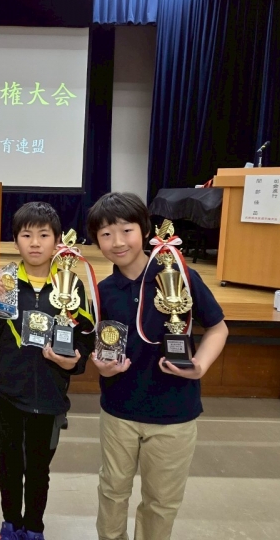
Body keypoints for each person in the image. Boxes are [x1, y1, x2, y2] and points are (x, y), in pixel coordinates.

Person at [86, 192, 228, 540]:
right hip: (119, 410)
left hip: (174, 413)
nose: (118, 242)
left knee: (162, 501)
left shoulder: (180, 276)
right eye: (106, 234)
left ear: (145, 230)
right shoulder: (103, 290)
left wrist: (200, 365)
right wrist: (101, 366)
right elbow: (101, 343)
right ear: (97, 241)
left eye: (126, 230)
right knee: (112, 491)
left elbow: (218, 327)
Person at [0, 202, 96, 540]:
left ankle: (34, 527)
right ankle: (10, 523)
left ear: (57, 240)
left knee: (38, 469)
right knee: (8, 466)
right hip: (7, 393)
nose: (35, 243)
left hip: (48, 395)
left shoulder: (70, 286)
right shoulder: (5, 281)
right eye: (26, 235)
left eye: (43, 235)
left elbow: (84, 339)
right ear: (15, 240)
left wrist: (73, 363)